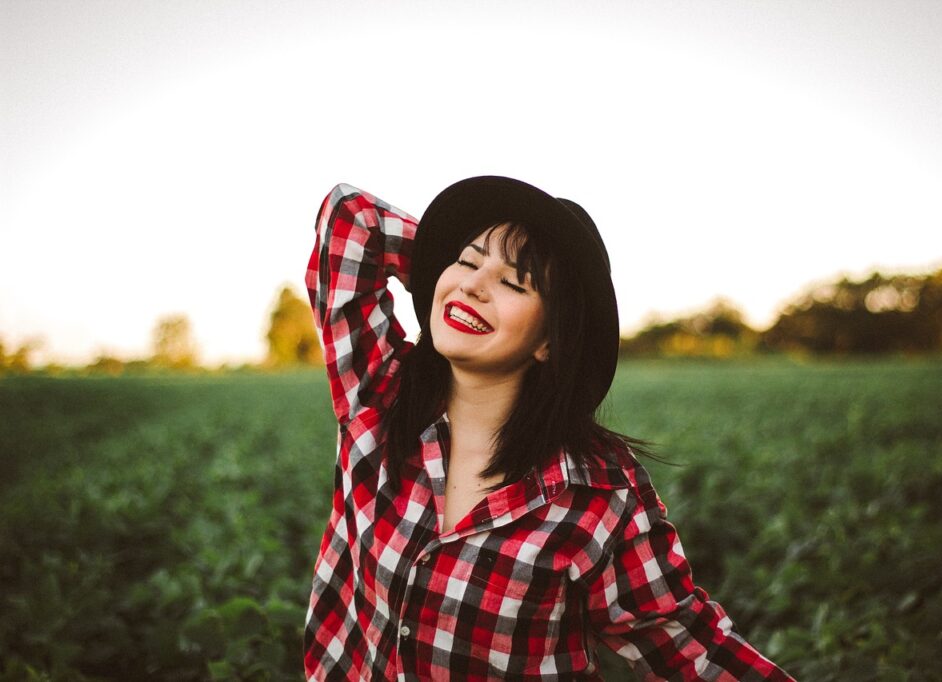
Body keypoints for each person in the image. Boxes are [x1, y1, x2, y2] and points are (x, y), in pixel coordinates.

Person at [303, 177, 794, 681]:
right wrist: (438, 267)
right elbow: (353, 218)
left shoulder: (596, 492)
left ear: (549, 341)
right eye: (467, 261)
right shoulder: (377, 395)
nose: (473, 284)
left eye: (515, 284)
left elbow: (680, 645)